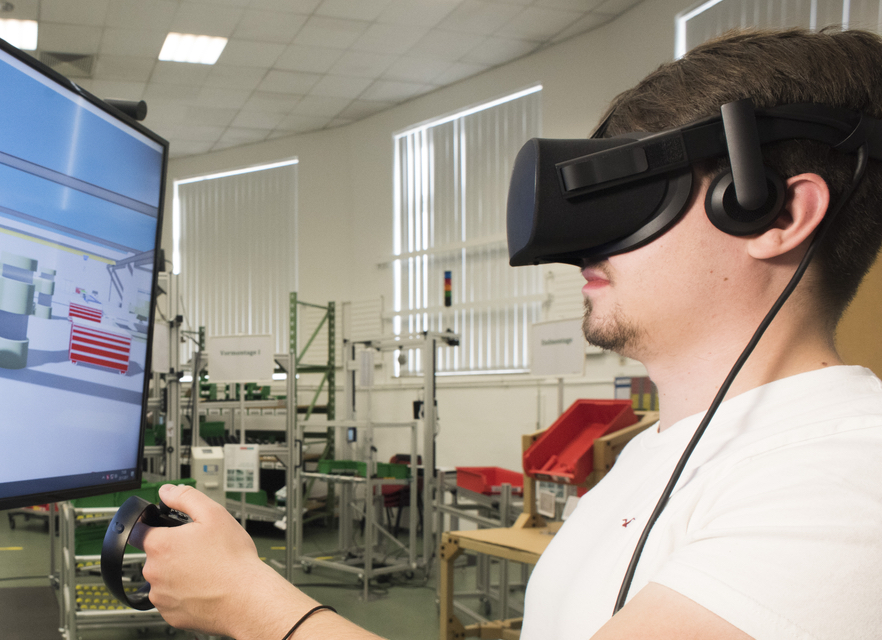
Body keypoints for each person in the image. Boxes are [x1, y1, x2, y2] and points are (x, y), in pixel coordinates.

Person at [137, 27, 882, 640]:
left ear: (774, 214)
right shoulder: (654, 453)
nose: (584, 245)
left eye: (635, 198)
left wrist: (256, 606)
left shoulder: (845, 477)